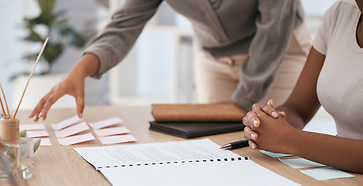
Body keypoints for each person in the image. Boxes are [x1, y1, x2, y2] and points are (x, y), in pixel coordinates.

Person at [29, 0, 311, 121]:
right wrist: (81, 68)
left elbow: (274, 26)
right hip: (215, 56)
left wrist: (243, 100)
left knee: (271, 148)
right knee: (221, 147)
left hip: (280, 51)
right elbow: (124, 23)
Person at [243, 0, 363, 173]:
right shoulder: (340, 12)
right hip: (340, 177)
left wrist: (289, 139)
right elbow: (297, 108)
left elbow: (290, 137)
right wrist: (266, 123)